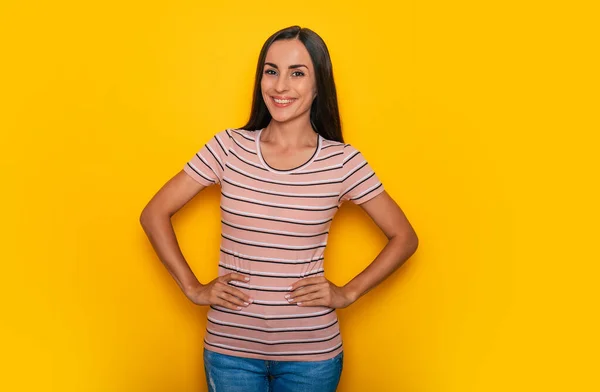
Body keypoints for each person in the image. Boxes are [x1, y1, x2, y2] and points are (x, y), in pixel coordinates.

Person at [140, 25, 418, 392]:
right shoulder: (228, 147)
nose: (280, 86)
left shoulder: (343, 162)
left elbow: (404, 237)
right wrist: (192, 288)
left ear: (319, 85)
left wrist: (348, 292)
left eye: (297, 73)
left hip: (312, 358)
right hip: (230, 353)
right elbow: (153, 213)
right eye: (271, 71)